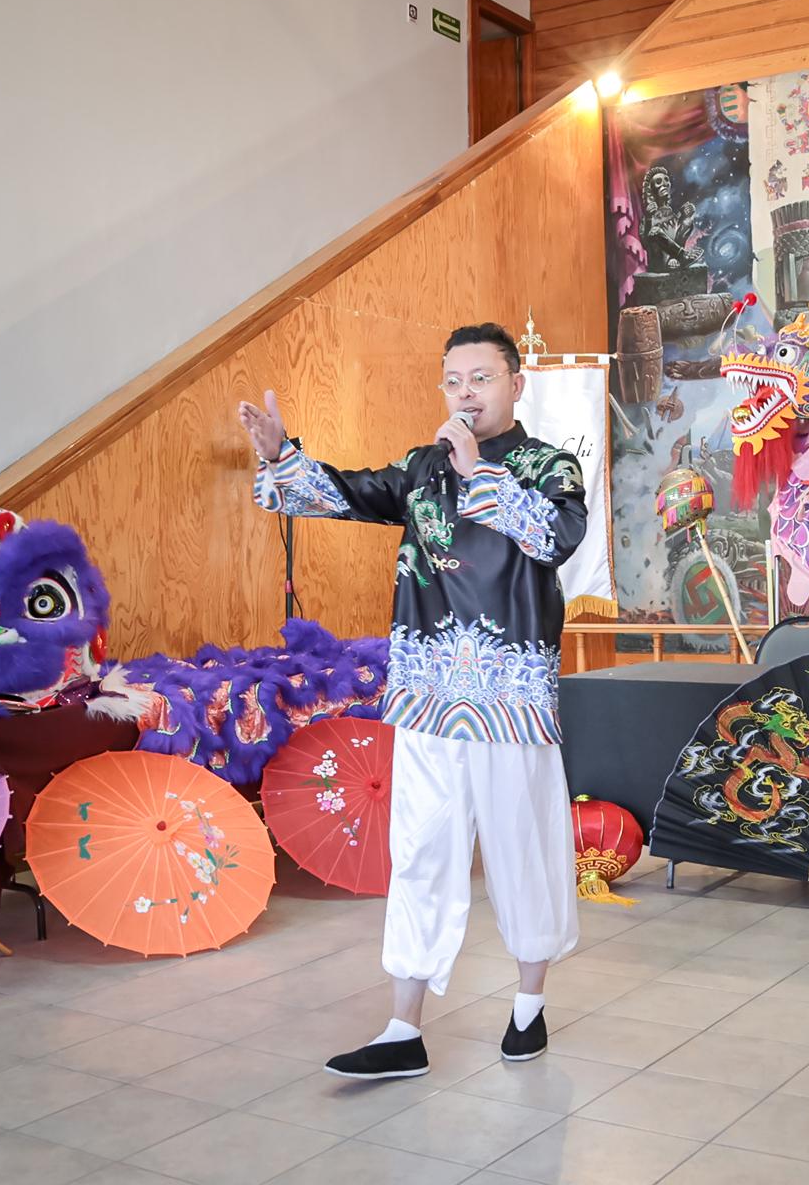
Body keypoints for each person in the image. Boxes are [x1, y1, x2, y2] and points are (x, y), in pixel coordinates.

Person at [235, 322, 586, 1079]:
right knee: (422, 850)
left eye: (481, 378)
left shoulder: (549, 466)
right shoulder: (422, 469)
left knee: (521, 847)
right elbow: (346, 493)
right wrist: (278, 454)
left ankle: (529, 1004)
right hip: (428, 693)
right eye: (454, 379)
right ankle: (403, 1026)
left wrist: (481, 473)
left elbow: (557, 538)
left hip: (509, 696)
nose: (466, 393)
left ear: (515, 385)